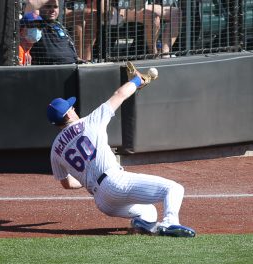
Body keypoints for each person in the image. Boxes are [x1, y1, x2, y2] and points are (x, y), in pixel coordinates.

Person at [46, 62, 196, 237]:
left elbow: (67, 184)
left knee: (149, 213)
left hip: (102, 201)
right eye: (71, 108)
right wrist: (137, 81)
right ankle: (170, 222)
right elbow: (119, 94)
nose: (74, 109)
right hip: (115, 182)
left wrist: (87, 179)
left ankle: (141, 225)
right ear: (69, 114)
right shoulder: (89, 121)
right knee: (174, 189)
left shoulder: (55, 150)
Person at [30, 0, 86, 65]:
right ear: (39, 8)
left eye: (55, 7)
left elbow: (69, 48)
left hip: (72, 67)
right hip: (49, 70)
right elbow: (31, 4)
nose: (53, 10)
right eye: (48, 6)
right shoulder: (36, 24)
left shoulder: (60, 26)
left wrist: (77, 59)